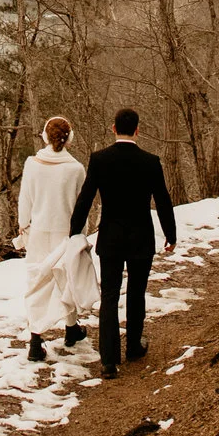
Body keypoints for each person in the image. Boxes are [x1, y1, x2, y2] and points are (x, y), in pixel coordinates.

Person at [68, 106, 177, 378]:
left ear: (113, 128)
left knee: (109, 295)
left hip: (111, 237)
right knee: (137, 292)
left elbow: (85, 198)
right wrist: (171, 235)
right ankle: (133, 347)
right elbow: (162, 200)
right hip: (141, 236)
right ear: (137, 130)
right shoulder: (150, 161)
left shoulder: (100, 159)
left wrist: (73, 231)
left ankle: (108, 359)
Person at [13, 116, 91, 361]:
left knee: (38, 282)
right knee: (66, 279)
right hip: (66, 232)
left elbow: (25, 200)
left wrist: (23, 227)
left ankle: (36, 340)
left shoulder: (32, 164)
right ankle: (71, 329)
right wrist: (82, 233)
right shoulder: (76, 169)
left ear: (45, 137)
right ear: (69, 139)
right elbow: (81, 206)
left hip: (38, 232)